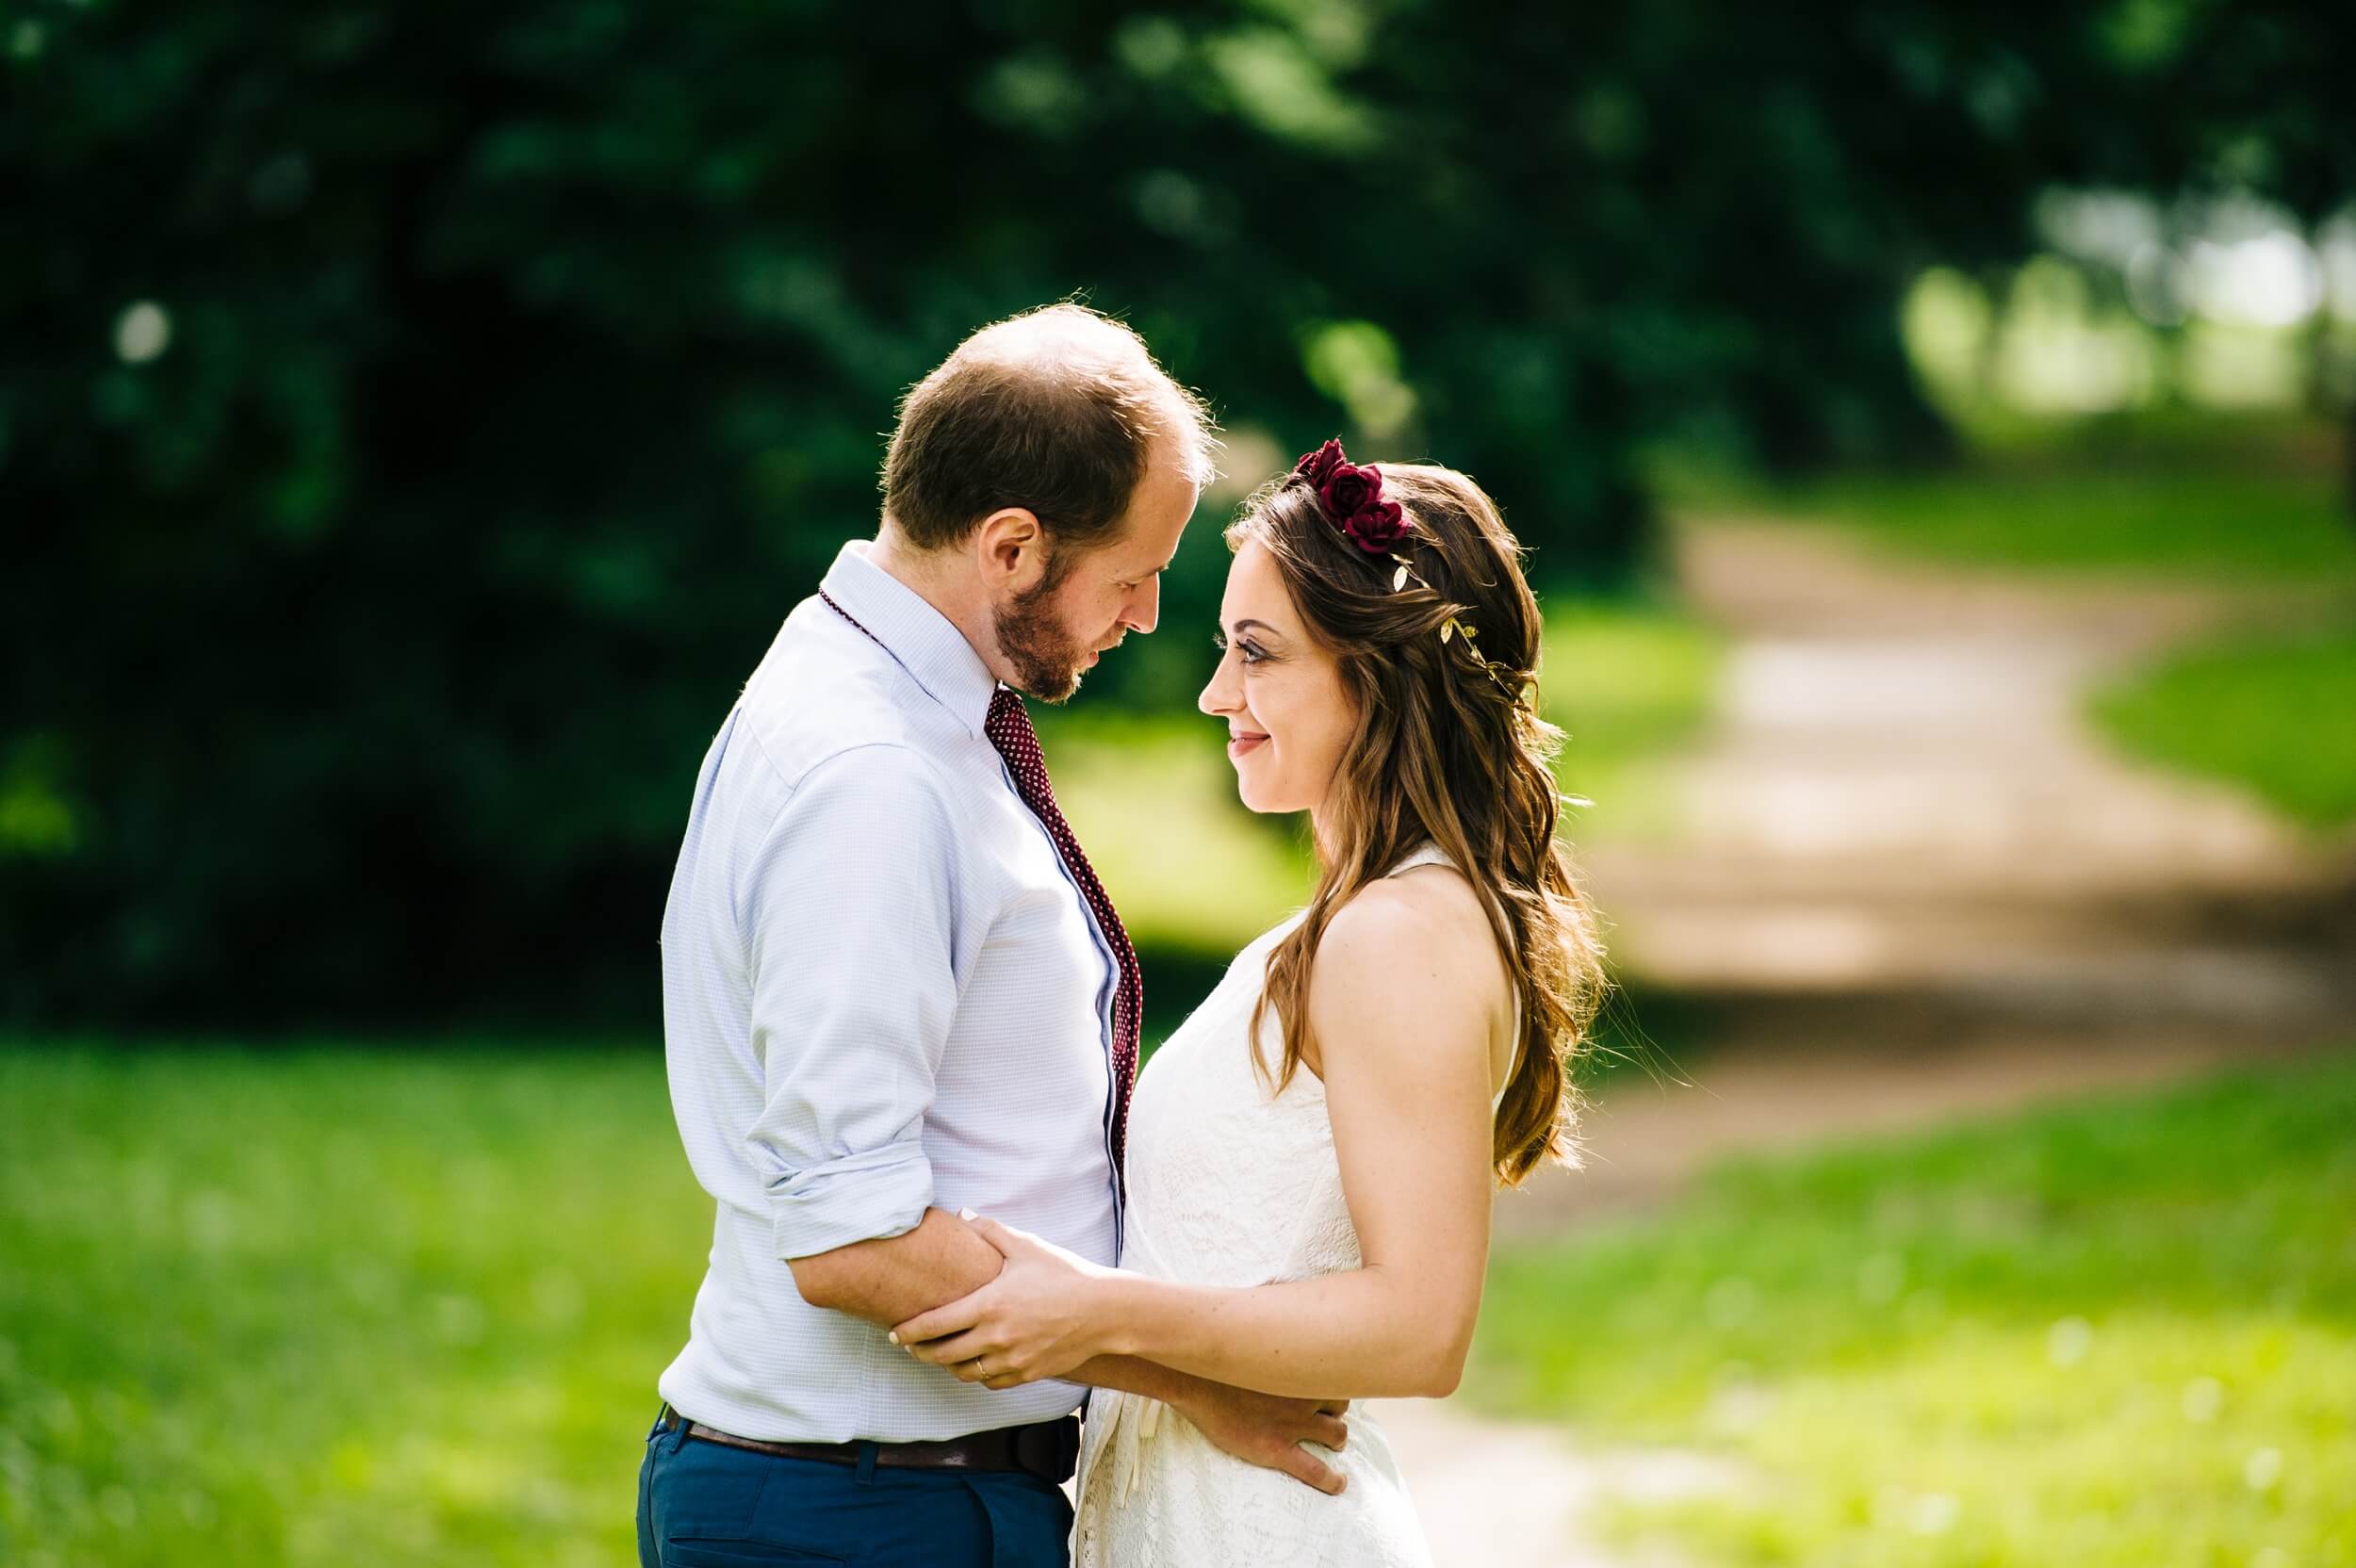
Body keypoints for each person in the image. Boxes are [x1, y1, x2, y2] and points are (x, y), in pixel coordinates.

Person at [637, 308, 1356, 1568]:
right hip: (860, 1513)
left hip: (891, 1498)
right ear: (1014, 545)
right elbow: (852, 1231)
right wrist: (1183, 1371)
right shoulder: (873, 772)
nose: (1143, 617)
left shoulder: (884, 710)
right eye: (1134, 573)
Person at [890, 439, 1609, 1565]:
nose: (1217, 692)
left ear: (1380, 672)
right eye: (1226, 649)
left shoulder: (1399, 933)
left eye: (1258, 654)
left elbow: (1421, 1325)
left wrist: (1102, 1310)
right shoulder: (1358, 919)